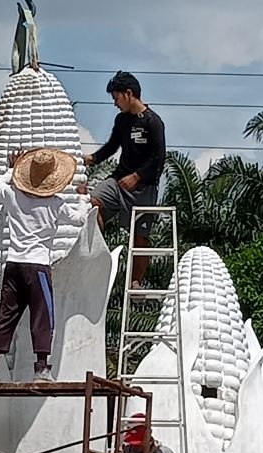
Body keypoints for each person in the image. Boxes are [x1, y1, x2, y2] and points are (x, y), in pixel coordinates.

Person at [0, 148, 88, 382]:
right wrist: (83, 197)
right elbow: (79, 219)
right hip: (38, 266)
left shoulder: (13, 196)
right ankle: (41, 368)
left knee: (6, 315)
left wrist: (11, 169)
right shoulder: (55, 204)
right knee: (43, 316)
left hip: (13, 264)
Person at [84, 71, 166, 291]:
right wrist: (92, 159)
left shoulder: (153, 122)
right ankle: (98, 257)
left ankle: (136, 281)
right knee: (92, 205)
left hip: (144, 188)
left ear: (128, 94)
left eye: (116, 97)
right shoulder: (121, 120)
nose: (115, 103)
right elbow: (112, 146)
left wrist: (137, 176)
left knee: (141, 238)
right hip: (118, 182)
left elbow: (159, 158)